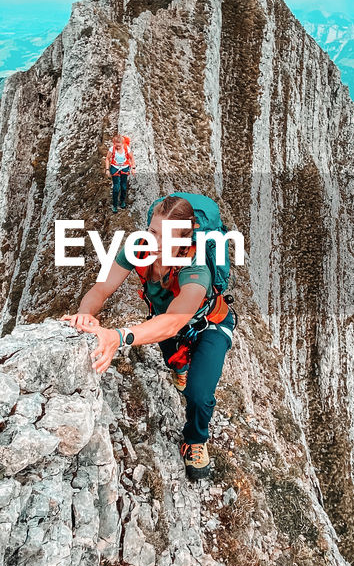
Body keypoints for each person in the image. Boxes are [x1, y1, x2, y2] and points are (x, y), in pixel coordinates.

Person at [62, 195, 235, 482]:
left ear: (184, 240)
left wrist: (118, 337)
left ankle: (195, 440)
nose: (155, 242)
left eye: (165, 236)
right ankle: (179, 367)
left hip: (209, 325)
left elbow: (174, 322)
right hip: (163, 319)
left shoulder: (195, 267)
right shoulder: (139, 248)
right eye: (153, 232)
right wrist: (85, 314)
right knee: (173, 360)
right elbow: (101, 289)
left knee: (199, 394)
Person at [105, 133, 134, 211]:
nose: (117, 147)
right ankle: (114, 205)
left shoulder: (126, 148)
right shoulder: (112, 149)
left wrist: (133, 168)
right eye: (116, 145)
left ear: (122, 143)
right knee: (116, 187)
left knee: (123, 186)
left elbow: (131, 158)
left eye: (119, 145)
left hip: (124, 167)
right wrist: (107, 169)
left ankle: (122, 201)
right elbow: (107, 158)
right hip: (115, 167)